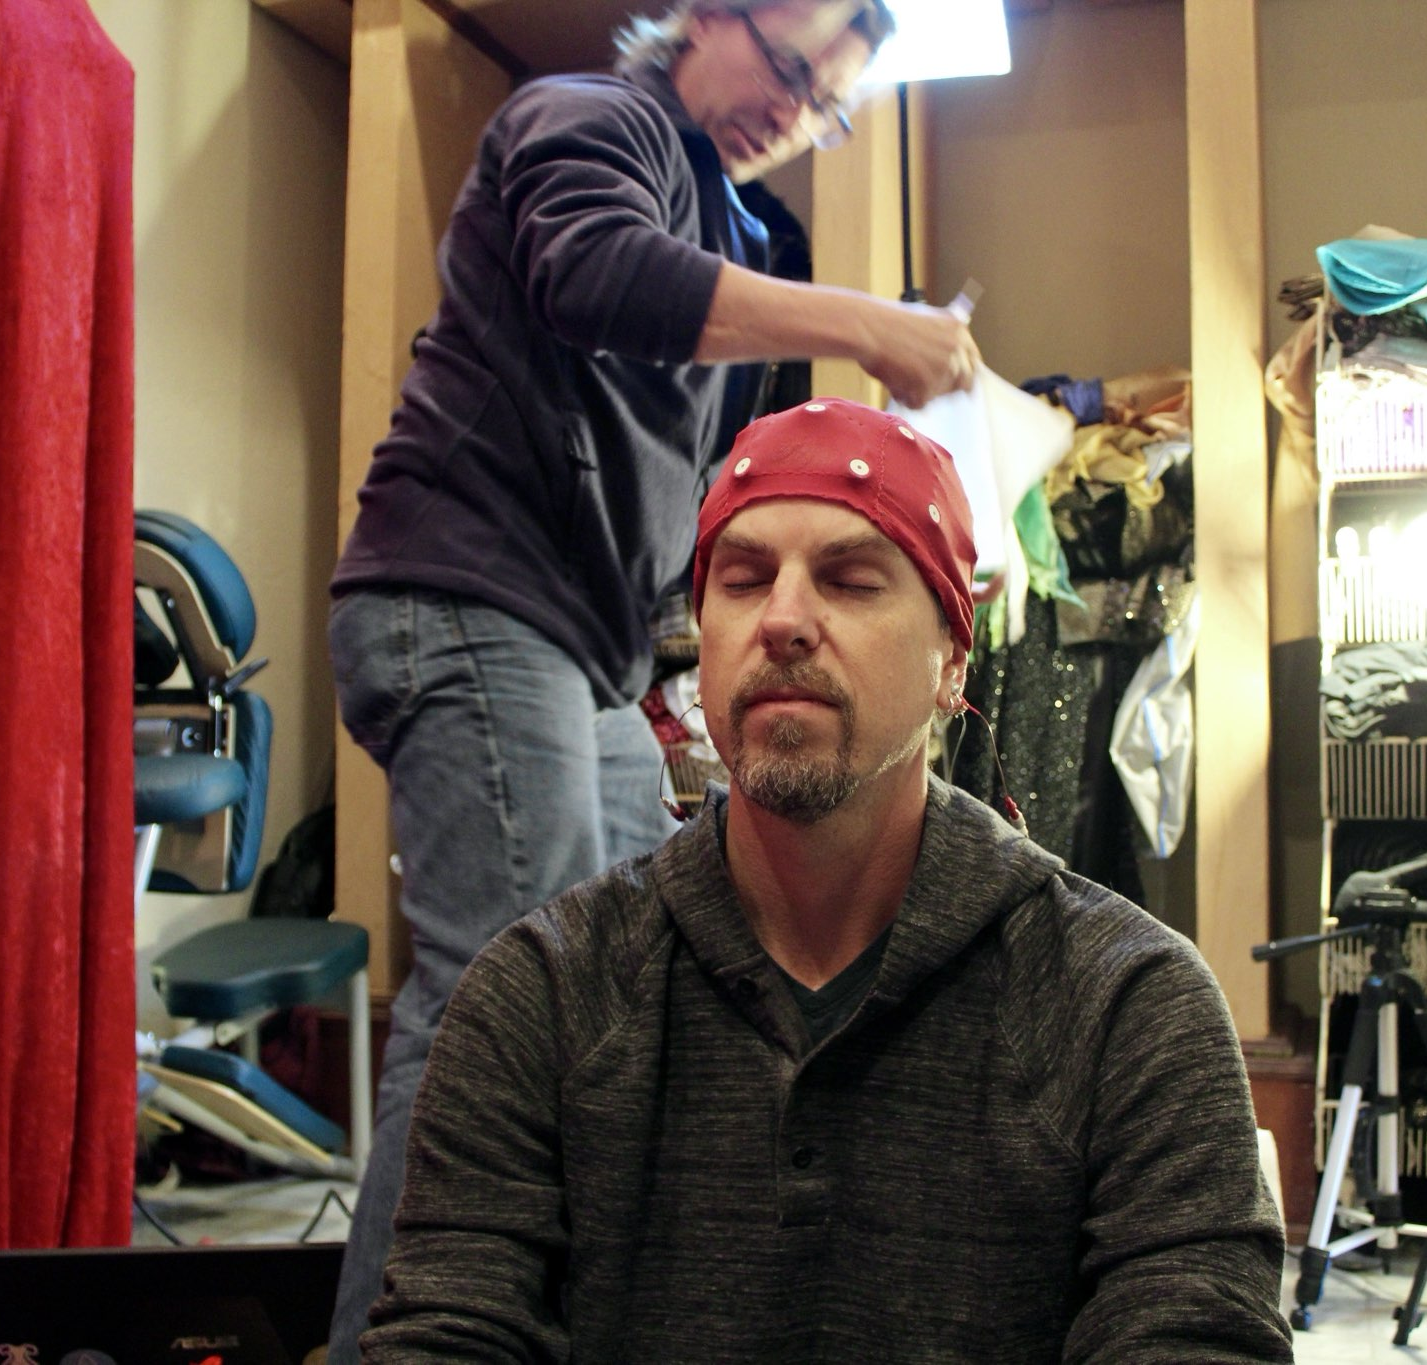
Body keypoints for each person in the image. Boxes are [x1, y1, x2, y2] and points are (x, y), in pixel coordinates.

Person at [360, 399, 1295, 1363]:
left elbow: (1196, 1335)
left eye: (850, 580)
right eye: (744, 578)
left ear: (951, 660)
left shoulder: (1126, 1005)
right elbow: (449, 1328)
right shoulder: (541, 995)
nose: (785, 620)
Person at [325, 1, 983, 1355]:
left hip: (574, 651)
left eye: (824, 105)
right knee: (495, 1000)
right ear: (700, 17)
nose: (790, 111)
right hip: (463, 594)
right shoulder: (592, 117)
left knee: (631, 975)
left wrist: (658, 675)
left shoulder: (733, 236)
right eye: (786, 66)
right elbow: (598, 276)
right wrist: (870, 324)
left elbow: (672, 500)